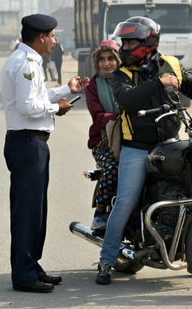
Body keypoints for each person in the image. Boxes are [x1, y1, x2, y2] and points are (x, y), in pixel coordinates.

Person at [95, 16, 192, 285]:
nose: (125, 47)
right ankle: (106, 261)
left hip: (169, 144)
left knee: (190, 196)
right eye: (124, 42)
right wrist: (158, 84)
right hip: (136, 149)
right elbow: (126, 100)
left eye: (130, 42)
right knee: (125, 201)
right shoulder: (121, 74)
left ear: (147, 42)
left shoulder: (172, 64)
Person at [0, 13, 89, 293]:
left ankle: (31, 266)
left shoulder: (29, 61)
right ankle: (24, 275)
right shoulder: (25, 63)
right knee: (27, 212)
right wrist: (57, 108)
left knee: (36, 211)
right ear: (41, 38)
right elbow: (28, 107)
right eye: (52, 36)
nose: (55, 40)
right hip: (27, 144)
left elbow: (36, 97)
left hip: (33, 143)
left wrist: (66, 90)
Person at [85, 40, 121, 231]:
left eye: (111, 59)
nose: (106, 63)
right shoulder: (93, 86)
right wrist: (120, 115)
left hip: (132, 138)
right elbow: (98, 117)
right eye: (102, 60)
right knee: (112, 168)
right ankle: (100, 212)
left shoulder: (128, 79)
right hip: (103, 142)